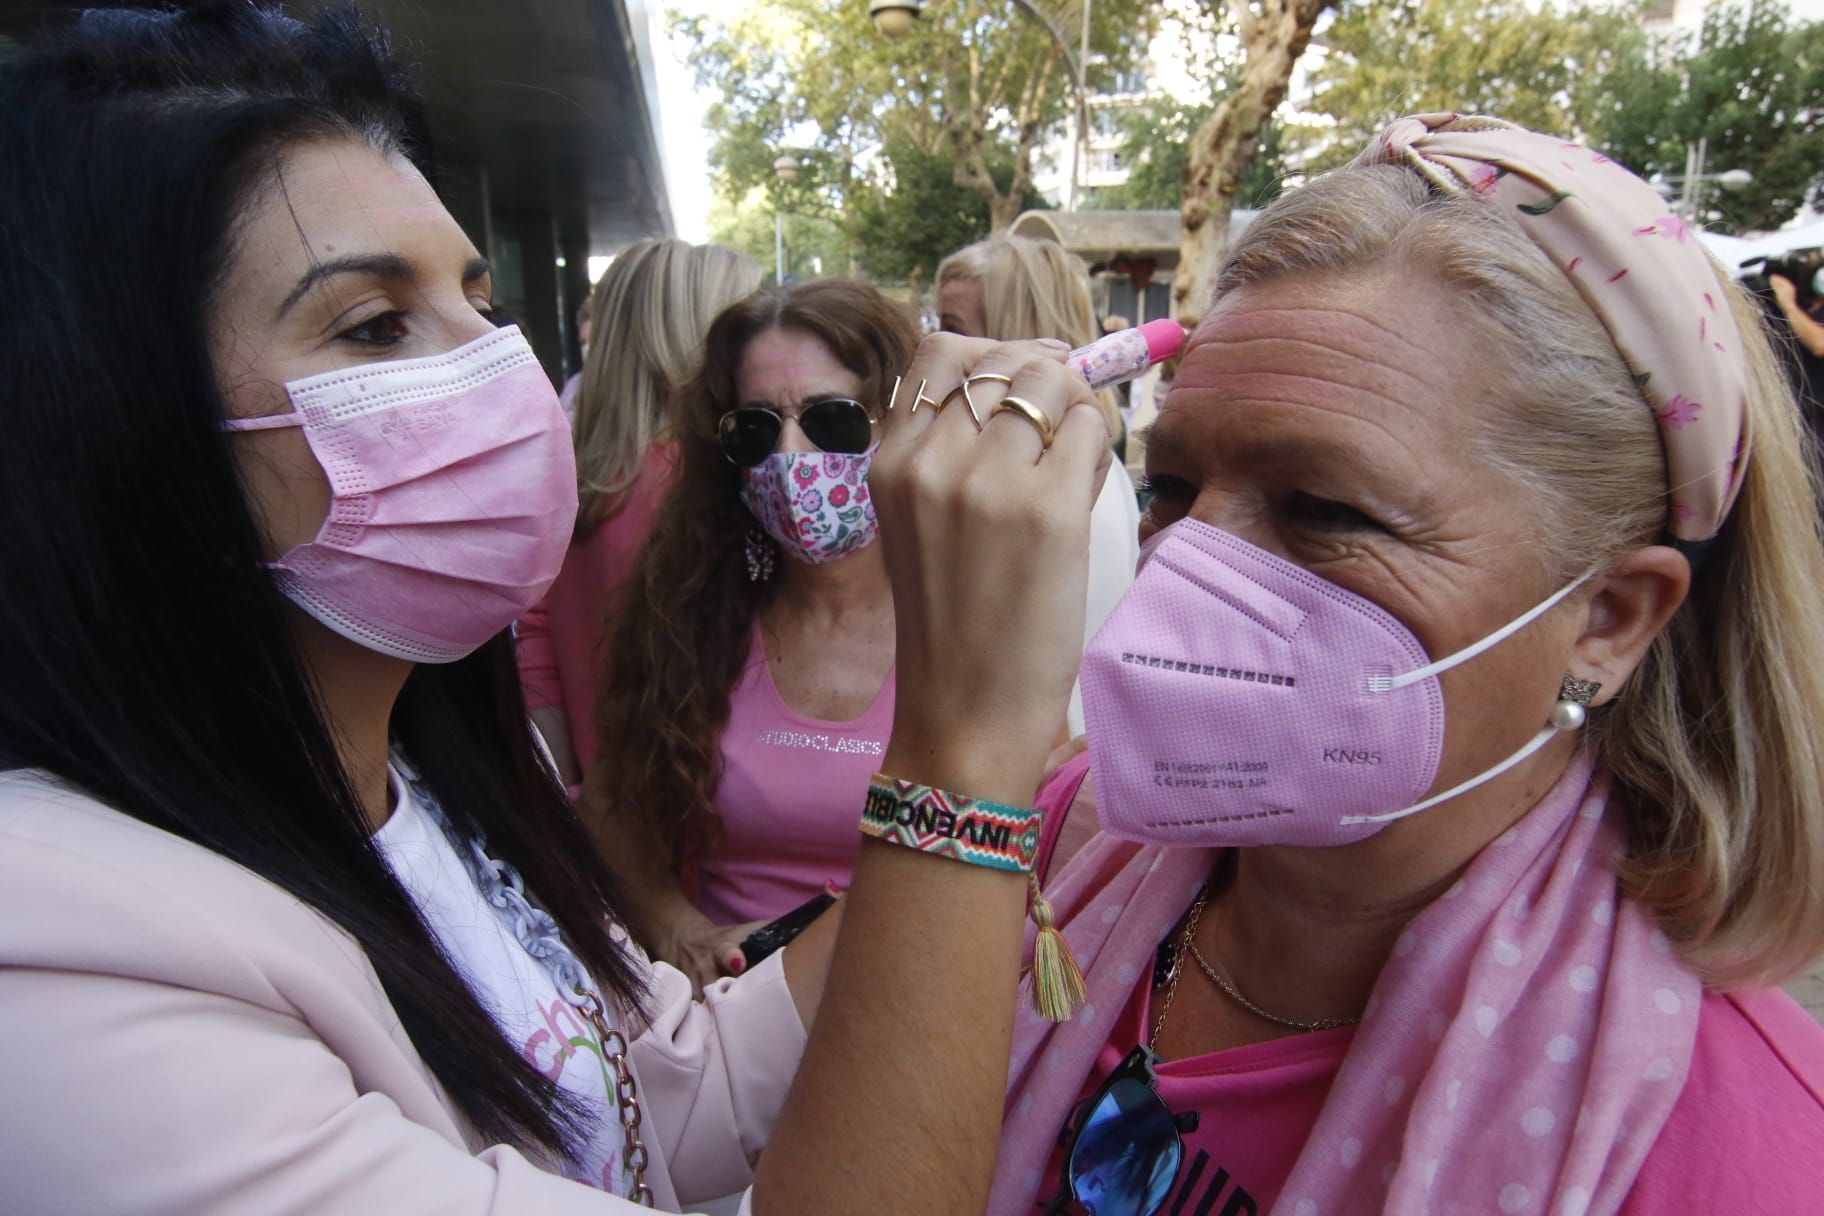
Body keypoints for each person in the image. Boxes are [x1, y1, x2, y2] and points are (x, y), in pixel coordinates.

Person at [0, 5, 1112, 1213]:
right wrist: (962, 759)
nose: (498, 372)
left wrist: (979, 819)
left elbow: (665, 1090)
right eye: (377, 326)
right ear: (109, 419)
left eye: (481, 303)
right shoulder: (64, 966)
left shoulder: (422, 803)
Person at [990, 114, 1824, 1216]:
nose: (1183, 574)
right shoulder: (1055, 830)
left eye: (1325, 507)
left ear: (1609, 620)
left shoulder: (1733, 1146)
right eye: (1172, 492)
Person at [585, 281, 918, 990]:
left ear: (902, 422)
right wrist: (686, 934)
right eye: (758, 428)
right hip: (733, 1027)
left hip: (907, 1009)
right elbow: (612, 813)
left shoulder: (963, 624)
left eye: (831, 420)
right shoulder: (691, 616)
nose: (791, 455)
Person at [518, 239, 762, 788]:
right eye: (748, 327)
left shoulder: (566, 487)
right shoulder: (710, 485)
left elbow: (540, 672)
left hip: (613, 823)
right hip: (725, 835)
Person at [937, 234, 1143, 736]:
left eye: (951, 329)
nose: (934, 350)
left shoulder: (1038, 482)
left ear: (1017, 337)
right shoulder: (1079, 465)